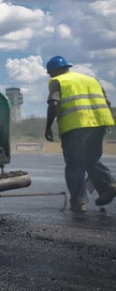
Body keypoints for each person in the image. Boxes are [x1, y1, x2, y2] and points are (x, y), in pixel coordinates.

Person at [44, 55, 116, 213]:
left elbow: (54, 103)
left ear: (55, 71)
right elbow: (107, 102)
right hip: (100, 124)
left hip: (76, 126)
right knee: (91, 159)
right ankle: (108, 186)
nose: (50, 76)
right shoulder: (91, 80)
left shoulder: (59, 81)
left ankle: (79, 201)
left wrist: (48, 127)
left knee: (75, 164)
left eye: (50, 73)